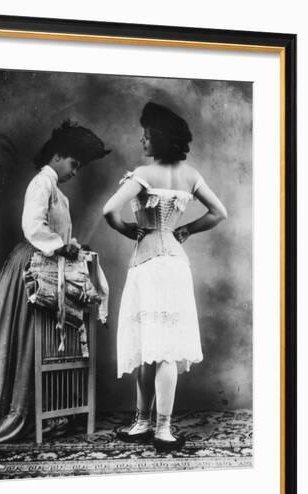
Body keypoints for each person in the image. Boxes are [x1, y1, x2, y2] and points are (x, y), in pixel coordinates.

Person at [102, 102, 227, 452]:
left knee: (149, 347)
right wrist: (185, 229)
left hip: (147, 266)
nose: (142, 142)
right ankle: (160, 428)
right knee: (166, 347)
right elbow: (220, 213)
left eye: (146, 136)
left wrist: (129, 230)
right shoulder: (190, 175)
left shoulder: (144, 173)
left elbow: (109, 210)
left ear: (159, 139)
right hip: (175, 264)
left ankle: (147, 424)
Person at [0, 120, 110, 444]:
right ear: (57, 155)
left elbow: (57, 232)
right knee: (32, 339)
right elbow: (33, 225)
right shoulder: (42, 183)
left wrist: (69, 245)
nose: (75, 171)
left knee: (48, 342)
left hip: (50, 264)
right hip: (31, 265)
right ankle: (20, 411)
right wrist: (59, 245)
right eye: (74, 163)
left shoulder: (58, 193)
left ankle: (50, 410)